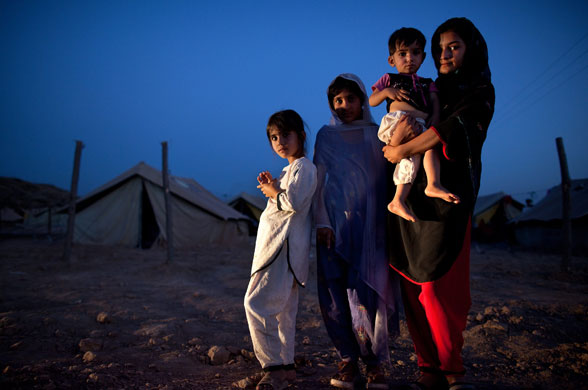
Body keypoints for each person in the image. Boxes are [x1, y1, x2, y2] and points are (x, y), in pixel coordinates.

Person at [382, 18, 495, 390]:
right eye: (440, 48)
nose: (444, 54)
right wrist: (396, 143)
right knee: (411, 285)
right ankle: (428, 366)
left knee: (439, 286)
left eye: (454, 46)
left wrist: (400, 149)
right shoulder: (429, 88)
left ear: (471, 48)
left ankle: (452, 368)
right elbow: (398, 123)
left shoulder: (479, 91)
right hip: (409, 195)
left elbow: (447, 131)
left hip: (450, 197)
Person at [314, 73, 400, 389]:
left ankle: (374, 363)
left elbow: (384, 182)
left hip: (369, 229)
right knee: (334, 296)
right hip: (332, 228)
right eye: (338, 100)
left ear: (363, 100)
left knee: (368, 293)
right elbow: (319, 182)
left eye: (351, 99)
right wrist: (322, 221)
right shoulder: (325, 135)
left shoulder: (376, 135)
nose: (345, 105)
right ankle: (348, 359)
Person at [244, 109, 317, 390]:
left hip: (281, 250)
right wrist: (273, 186)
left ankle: (272, 366)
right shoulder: (290, 170)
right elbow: (286, 201)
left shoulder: (304, 168)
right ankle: (286, 368)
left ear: (300, 135)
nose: (280, 141)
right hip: (281, 250)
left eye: (286, 134)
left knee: (255, 304)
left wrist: (274, 193)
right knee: (283, 312)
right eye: (274, 137)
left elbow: (293, 203)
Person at [370, 27, 459, 223]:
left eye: (415, 52)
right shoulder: (389, 79)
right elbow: (372, 100)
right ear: (392, 60)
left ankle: (427, 186)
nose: (409, 58)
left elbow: (435, 103)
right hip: (397, 121)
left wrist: (435, 118)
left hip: (420, 124)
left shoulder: (428, 83)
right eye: (403, 54)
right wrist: (387, 93)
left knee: (425, 150)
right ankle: (399, 198)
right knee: (410, 154)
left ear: (423, 56)